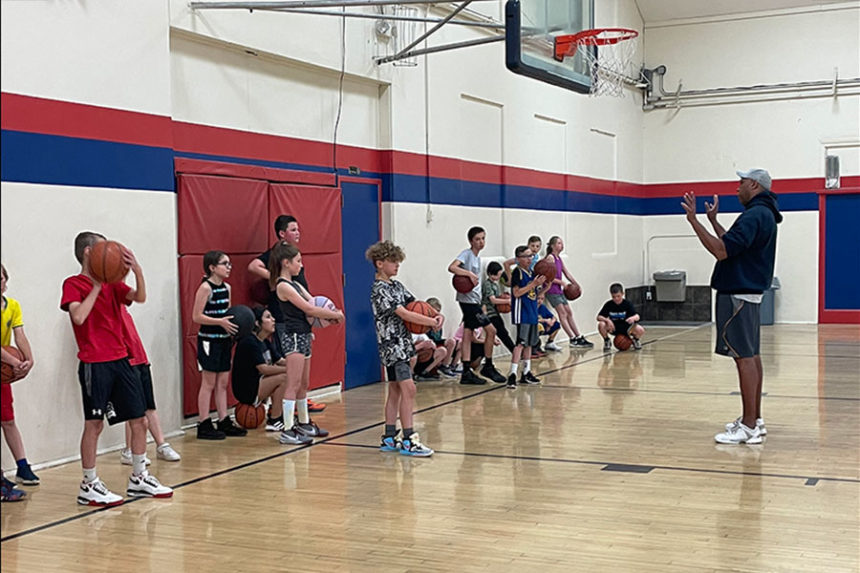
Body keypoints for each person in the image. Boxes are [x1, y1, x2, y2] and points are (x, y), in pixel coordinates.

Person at [61, 232, 172, 505]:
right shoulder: (73, 284)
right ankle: (88, 483)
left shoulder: (114, 285)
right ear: (89, 252)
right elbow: (78, 316)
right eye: (101, 246)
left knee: (140, 420)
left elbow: (140, 297)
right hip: (94, 362)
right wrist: (96, 286)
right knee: (94, 424)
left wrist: (137, 270)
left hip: (121, 359)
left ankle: (139, 477)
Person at [681, 168, 782, 445]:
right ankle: (755, 420)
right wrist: (713, 221)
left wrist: (693, 221)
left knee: (744, 358)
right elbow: (734, 244)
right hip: (748, 293)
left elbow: (721, 251)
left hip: (738, 294)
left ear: (753, 184)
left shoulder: (754, 214)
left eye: (740, 184)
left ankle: (748, 425)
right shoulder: (764, 213)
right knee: (752, 355)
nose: (737, 189)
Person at [367, 240, 441, 456]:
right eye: (393, 261)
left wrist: (436, 315)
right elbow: (405, 313)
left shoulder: (396, 286)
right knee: (409, 389)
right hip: (393, 346)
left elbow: (417, 304)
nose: (397, 265)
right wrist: (430, 323)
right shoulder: (379, 289)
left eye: (398, 261)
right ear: (380, 263)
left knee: (396, 390)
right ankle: (409, 439)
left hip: (404, 344)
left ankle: (389, 437)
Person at [247, 214, 326, 413]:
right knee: (291, 365)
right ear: (282, 233)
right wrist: (274, 277)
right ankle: (285, 412)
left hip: (300, 318)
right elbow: (253, 266)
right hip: (285, 318)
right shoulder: (277, 253)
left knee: (301, 370)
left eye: (298, 229)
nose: (297, 233)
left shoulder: (292, 255)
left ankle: (299, 402)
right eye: (293, 229)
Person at [268, 242, 343, 445]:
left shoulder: (297, 284)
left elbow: (314, 303)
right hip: (292, 336)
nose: (301, 265)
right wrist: (334, 314)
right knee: (292, 384)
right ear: (286, 263)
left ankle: (303, 422)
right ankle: (288, 429)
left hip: (304, 335)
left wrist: (331, 315)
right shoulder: (282, 286)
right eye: (298, 261)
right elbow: (309, 310)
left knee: (304, 383)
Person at [192, 250, 245, 440]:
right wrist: (220, 322)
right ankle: (204, 423)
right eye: (225, 264)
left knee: (223, 382)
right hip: (208, 340)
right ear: (212, 268)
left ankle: (223, 419)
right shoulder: (205, 288)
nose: (229, 267)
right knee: (209, 382)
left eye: (230, 263)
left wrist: (230, 326)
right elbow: (196, 316)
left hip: (224, 340)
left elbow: (228, 313)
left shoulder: (227, 288)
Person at [118, 307, 181, 464]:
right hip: (126, 361)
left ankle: (161, 445)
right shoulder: (107, 312)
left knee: (149, 406)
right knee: (133, 410)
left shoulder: (123, 309)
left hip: (140, 359)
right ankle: (129, 450)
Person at [447, 227, 506, 385]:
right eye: (478, 239)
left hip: (474, 301)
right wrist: (469, 274)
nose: (481, 242)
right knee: (491, 330)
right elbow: (452, 267)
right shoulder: (466, 254)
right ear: (471, 241)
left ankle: (466, 371)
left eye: (483, 238)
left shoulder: (477, 258)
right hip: (468, 302)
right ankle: (488, 365)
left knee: (467, 334)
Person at [1, 263, 37, 502]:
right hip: (5, 363)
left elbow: (20, 335)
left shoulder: (12, 306)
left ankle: (22, 466)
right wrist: (14, 362)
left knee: (8, 420)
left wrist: (29, 360)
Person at [231, 306, 289, 432]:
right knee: (284, 378)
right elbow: (264, 369)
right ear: (257, 323)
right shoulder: (249, 342)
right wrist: (289, 370)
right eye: (268, 317)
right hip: (247, 390)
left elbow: (280, 361)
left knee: (285, 376)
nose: (273, 320)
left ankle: (276, 414)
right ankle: (275, 419)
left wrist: (297, 363)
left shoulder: (265, 341)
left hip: (258, 384)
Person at [506, 245, 546, 389]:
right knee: (520, 344)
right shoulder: (518, 272)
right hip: (521, 312)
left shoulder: (531, 272)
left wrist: (546, 285)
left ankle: (526, 372)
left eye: (531, 256)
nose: (530, 258)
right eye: (527, 256)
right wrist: (534, 284)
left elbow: (536, 292)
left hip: (532, 312)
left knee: (529, 343)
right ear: (518, 259)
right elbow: (516, 293)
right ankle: (512, 374)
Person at [544, 236, 593, 348]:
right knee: (563, 313)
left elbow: (567, 273)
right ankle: (572, 338)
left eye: (562, 243)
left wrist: (576, 284)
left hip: (558, 290)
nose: (562, 245)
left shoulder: (558, 258)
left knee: (569, 312)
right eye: (559, 243)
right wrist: (562, 283)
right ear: (552, 245)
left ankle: (578, 336)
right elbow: (547, 277)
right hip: (551, 289)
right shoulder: (550, 258)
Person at [597, 283, 645, 352]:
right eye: (614, 297)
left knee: (640, 329)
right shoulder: (609, 304)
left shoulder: (627, 304)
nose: (616, 299)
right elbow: (599, 317)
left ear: (623, 294)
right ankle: (607, 340)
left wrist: (633, 318)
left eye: (618, 296)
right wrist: (607, 320)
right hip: (614, 328)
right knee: (601, 324)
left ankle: (635, 340)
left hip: (626, 327)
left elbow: (637, 316)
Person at [482, 262, 515, 353]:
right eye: (498, 275)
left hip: (495, 312)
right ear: (490, 273)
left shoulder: (495, 285)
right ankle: (514, 351)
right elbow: (493, 300)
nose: (499, 277)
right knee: (502, 333)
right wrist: (507, 301)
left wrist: (504, 296)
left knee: (503, 333)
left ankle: (514, 351)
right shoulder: (487, 284)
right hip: (490, 313)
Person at [425, 298, 457, 378]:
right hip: (428, 344)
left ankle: (445, 366)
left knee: (451, 341)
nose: (436, 313)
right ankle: (425, 372)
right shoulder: (424, 321)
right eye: (434, 311)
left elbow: (438, 338)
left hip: (436, 342)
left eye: (438, 311)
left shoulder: (438, 321)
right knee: (442, 350)